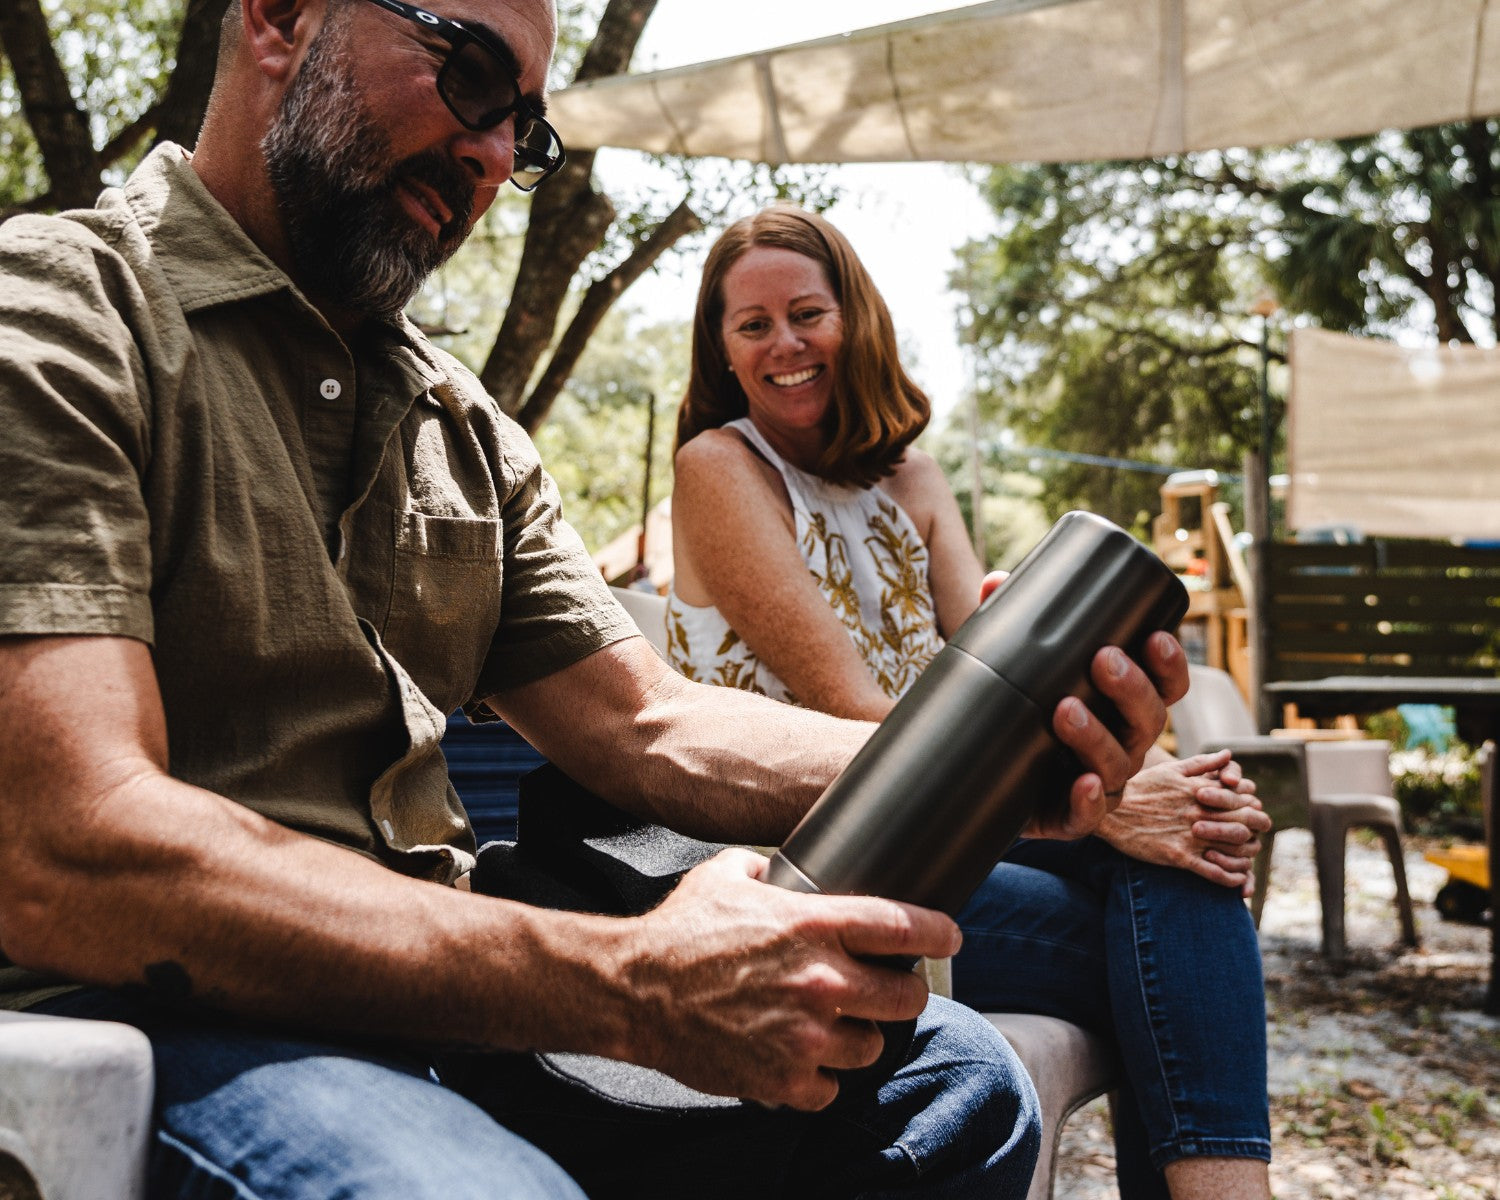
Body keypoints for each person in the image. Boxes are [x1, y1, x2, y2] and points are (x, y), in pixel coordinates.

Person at [0, 3, 1191, 1199]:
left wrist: (996, 763)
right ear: (280, 18)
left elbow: (649, 724)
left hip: (451, 1009)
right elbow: (69, 842)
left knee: (957, 1092)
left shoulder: (457, 425)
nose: (494, 155)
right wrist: (627, 982)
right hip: (174, 1014)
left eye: (525, 130)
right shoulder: (60, 313)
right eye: (471, 74)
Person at [667, 204, 1273, 1200]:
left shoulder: (915, 478)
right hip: (818, 852)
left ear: (854, 320)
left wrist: (1154, 782)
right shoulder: (718, 469)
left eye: (807, 314)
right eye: (753, 325)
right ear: (723, 349)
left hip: (965, 823)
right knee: (1169, 928)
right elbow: (858, 715)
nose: (785, 344)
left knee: (1187, 865)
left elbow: (1013, 682)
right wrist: (1117, 811)